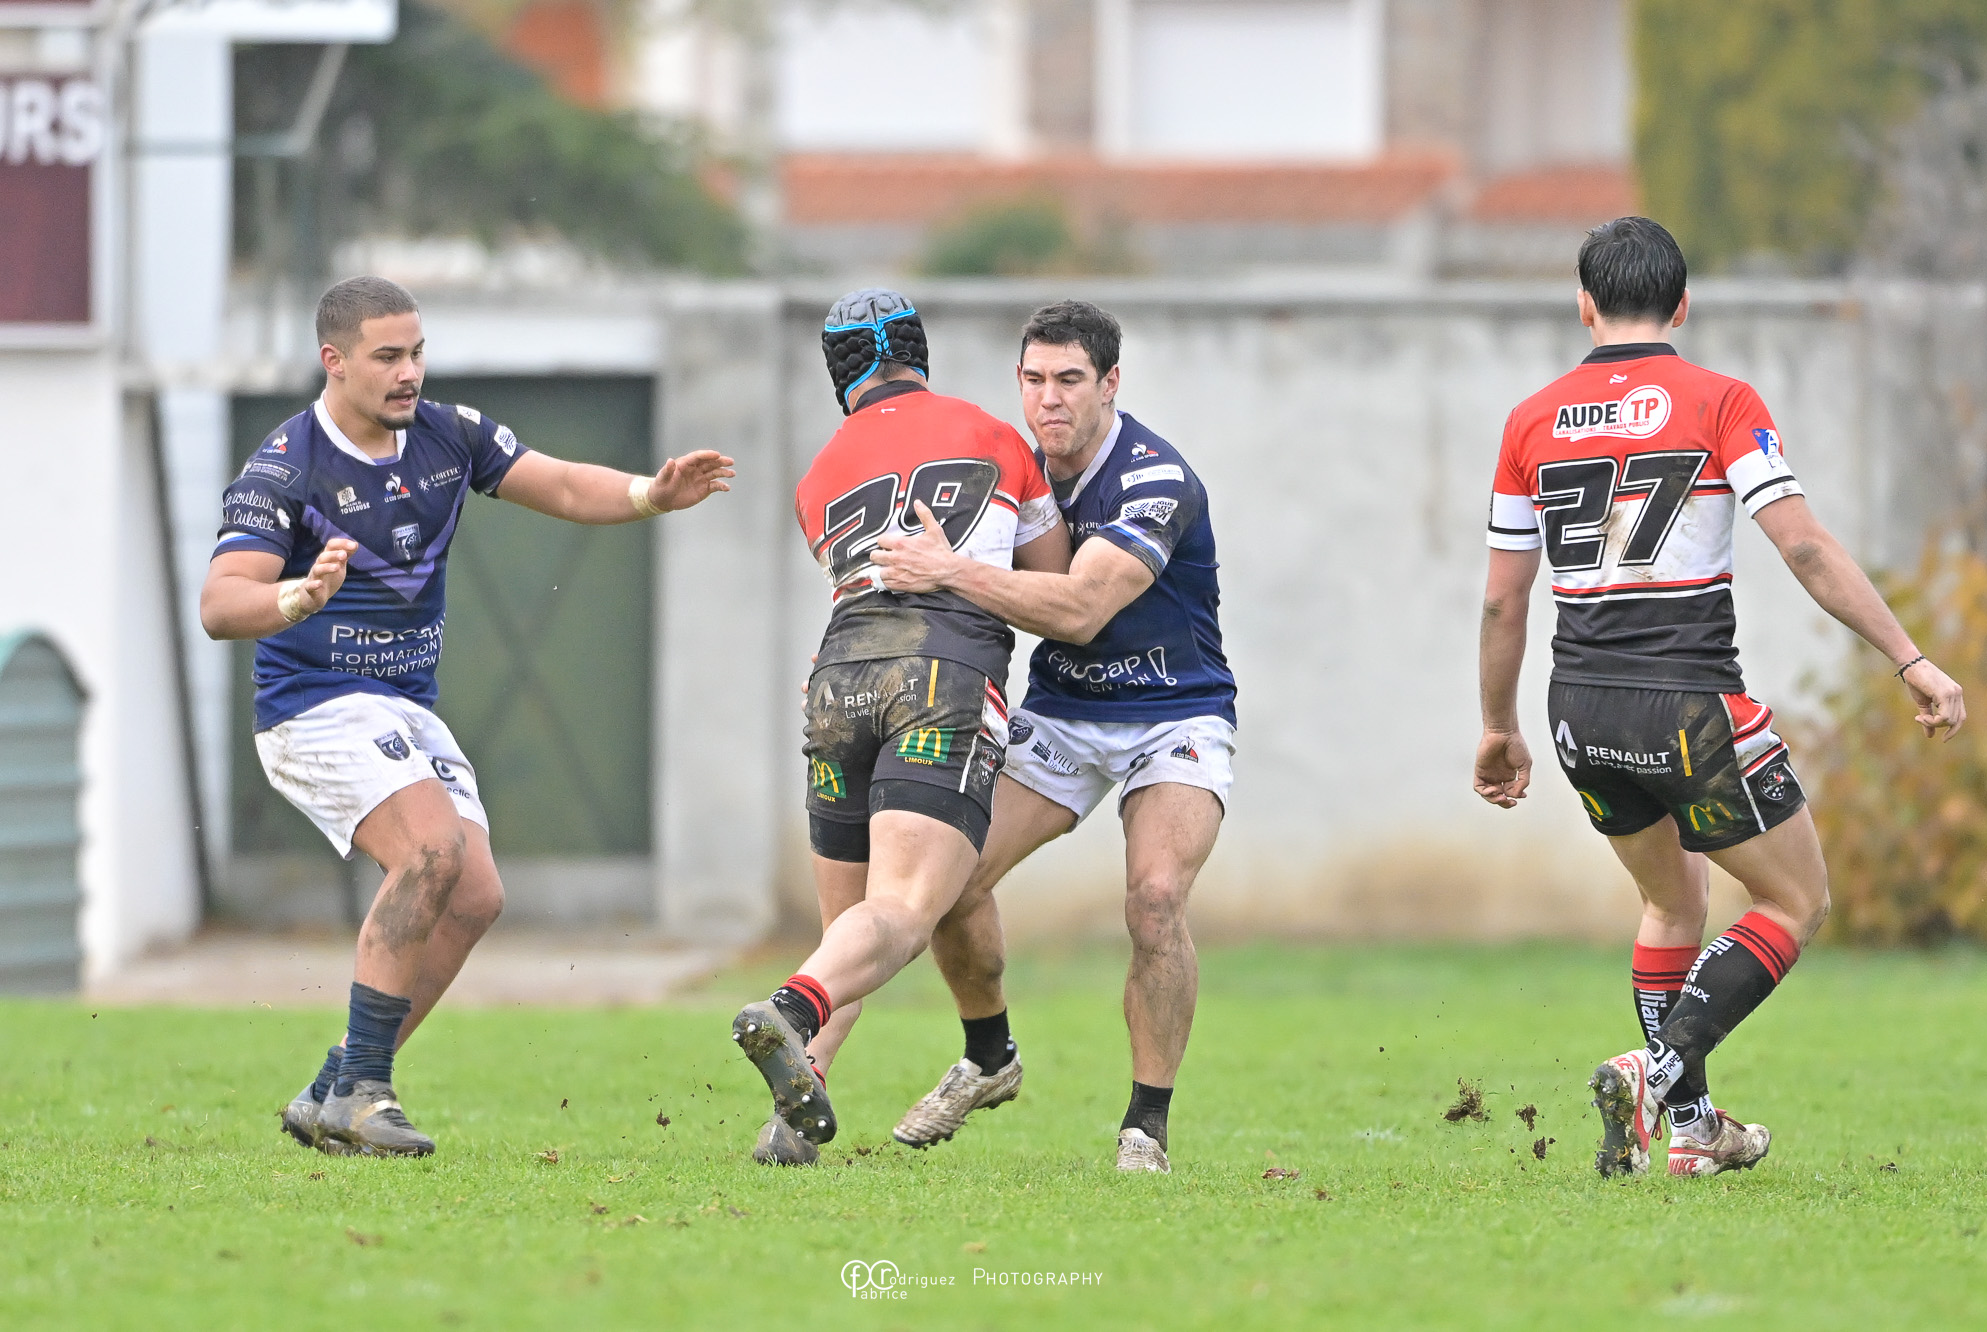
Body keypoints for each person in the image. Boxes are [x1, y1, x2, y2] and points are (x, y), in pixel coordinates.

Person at [1473, 217, 1965, 1177]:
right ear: (1683, 304)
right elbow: (1805, 546)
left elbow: (1502, 598)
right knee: (1795, 899)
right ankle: (1656, 1075)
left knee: (1673, 902)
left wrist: (1498, 726)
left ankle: (1695, 1131)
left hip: (1579, 709)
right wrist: (1909, 657)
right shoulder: (1721, 401)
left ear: (1584, 304)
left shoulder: (1529, 422)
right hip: (1687, 705)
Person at [201, 276, 733, 1156]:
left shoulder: (450, 435)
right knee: (430, 851)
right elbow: (222, 605)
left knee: (475, 895)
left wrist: (652, 493)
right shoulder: (286, 465)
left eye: (416, 352)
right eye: (387, 357)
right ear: (334, 361)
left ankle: (331, 1087)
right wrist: (298, 596)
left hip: (401, 706)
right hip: (312, 706)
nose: (409, 373)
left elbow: (564, 486)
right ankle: (365, 1092)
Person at [865, 300, 1236, 1174]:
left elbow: (1078, 608)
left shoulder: (1155, 478)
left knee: (1155, 899)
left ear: (1111, 383)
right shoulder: (1007, 467)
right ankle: (988, 1056)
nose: (1049, 399)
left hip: (1175, 714)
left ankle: (1145, 1127)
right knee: (949, 880)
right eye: (1033, 380)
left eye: (1070, 380)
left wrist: (949, 569)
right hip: (1063, 712)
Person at [736, 288, 1066, 1166]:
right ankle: (792, 1007)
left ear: (837, 373)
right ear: (919, 353)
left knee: (851, 926)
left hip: (835, 682)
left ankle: (793, 1119)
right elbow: (1056, 583)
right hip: (941, 675)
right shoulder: (993, 435)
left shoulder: (819, 475)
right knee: (903, 913)